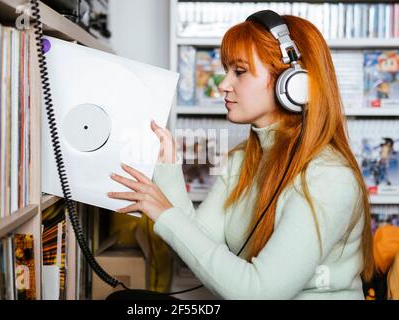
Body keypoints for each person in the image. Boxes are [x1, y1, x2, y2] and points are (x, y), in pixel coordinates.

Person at [107, 12, 374, 299]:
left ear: (294, 84)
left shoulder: (328, 177)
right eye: (227, 70)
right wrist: (167, 168)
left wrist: (165, 213)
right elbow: (194, 250)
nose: (223, 85)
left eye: (240, 71)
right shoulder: (241, 161)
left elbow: (257, 292)